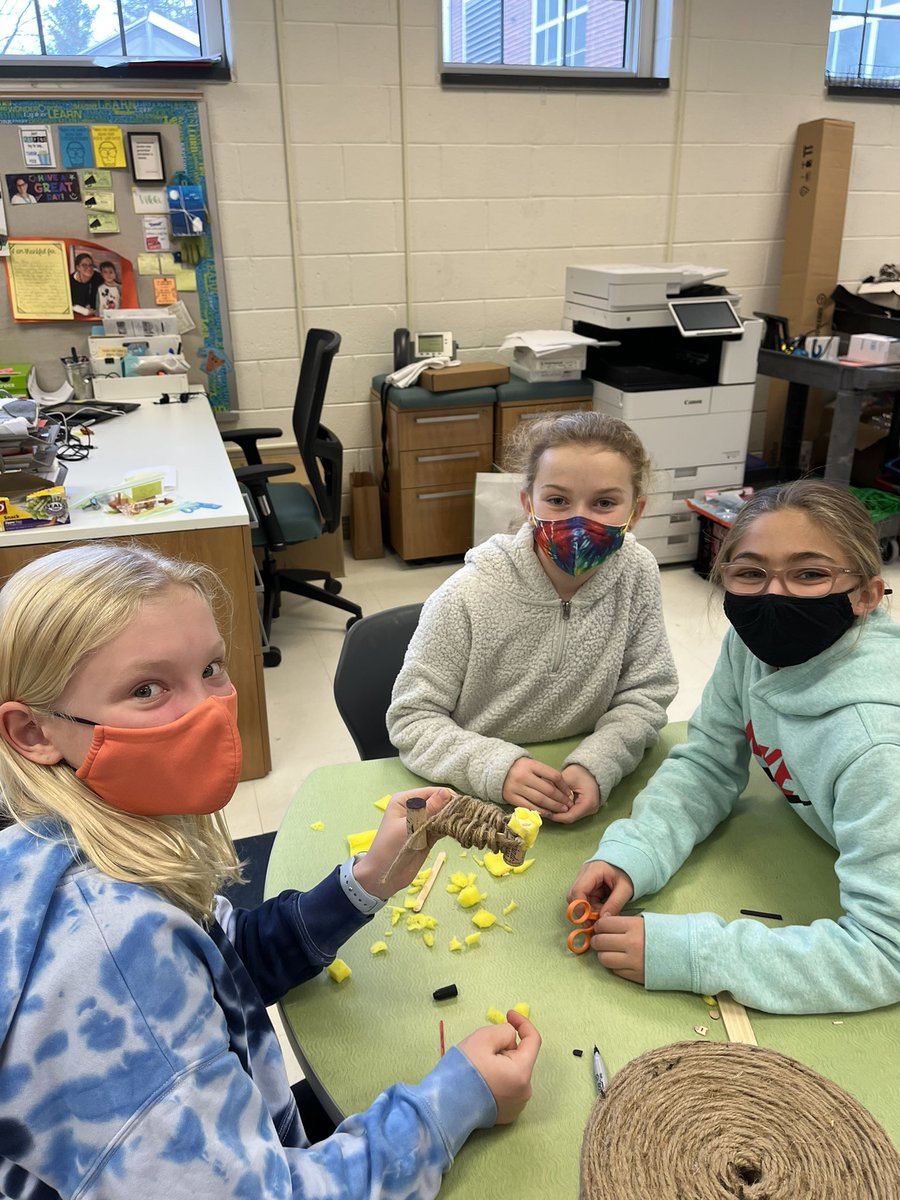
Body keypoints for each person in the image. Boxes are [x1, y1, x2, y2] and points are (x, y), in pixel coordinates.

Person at [0, 543, 540, 1198]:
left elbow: (225, 967)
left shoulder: (93, 845)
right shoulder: (117, 956)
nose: (205, 710)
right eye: (147, 689)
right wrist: (455, 1101)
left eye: (211, 669)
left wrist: (370, 878)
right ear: (33, 733)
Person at [568, 479, 900, 1014]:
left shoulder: (877, 746)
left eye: (809, 574)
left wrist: (699, 953)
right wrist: (637, 852)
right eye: (750, 573)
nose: (773, 594)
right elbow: (708, 762)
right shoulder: (753, 649)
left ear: (866, 593)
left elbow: (887, 953)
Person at [387, 411, 677, 823]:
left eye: (605, 502)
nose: (581, 521)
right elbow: (412, 720)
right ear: (528, 503)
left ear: (636, 511)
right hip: (476, 803)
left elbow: (646, 694)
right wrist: (496, 768)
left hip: (583, 780)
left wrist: (599, 762)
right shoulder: (468, 593)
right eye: (558, 500)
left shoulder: (637, 572)